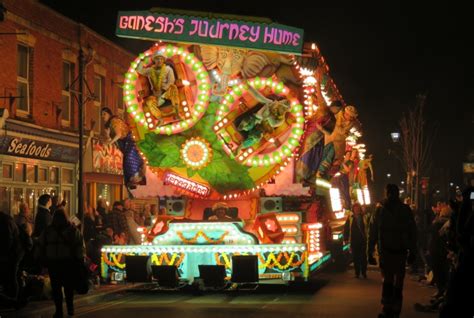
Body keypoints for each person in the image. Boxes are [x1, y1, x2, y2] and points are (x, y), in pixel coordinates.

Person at [368, 184, 417, 318]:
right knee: (395, 282)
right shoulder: (404, 210)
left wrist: (370, 251)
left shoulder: (380, 211)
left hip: (388, 251)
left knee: (389, 280)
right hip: (397, 252)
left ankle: (388, 309)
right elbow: (413, 232)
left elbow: (372, 232)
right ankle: (393, 309)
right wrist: (413, 251)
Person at [39, 208, 85, 317]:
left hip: (53, 262)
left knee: (56, 288)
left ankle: (59, 311)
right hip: (68, 262)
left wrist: (42, 259)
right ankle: (70, 309)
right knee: (68, 287)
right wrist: (80, 260)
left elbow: (41, 245)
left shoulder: (48, 231)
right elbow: (80, 247)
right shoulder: (73, 230)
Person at [101, 107, 146, 189]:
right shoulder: (108, 126)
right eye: (102, 115)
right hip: (123, 144)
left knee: (129, 159)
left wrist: (110, 142)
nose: (103, 116)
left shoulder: (114, 121)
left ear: (109, 114)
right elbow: (111, 139)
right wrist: (108, 137)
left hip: (129, 141)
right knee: (126, 161)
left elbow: (118, 134)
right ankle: (132, 180)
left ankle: (136, 178)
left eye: (104, 114)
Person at [0, 210, 23, 308]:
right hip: (13, 252)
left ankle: (13, 299)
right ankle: (12, 299)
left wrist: (3, 254)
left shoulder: (4, 222)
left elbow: (7, 240)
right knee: (10, 275)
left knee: (11, 275)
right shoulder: (6, 219)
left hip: (12, 253)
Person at [344, 202, 368, 278]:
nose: (356, 209)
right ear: (353, 209)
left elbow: (368, 228)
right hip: (354, 241)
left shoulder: (364, 216)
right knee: (355, 257)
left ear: (360, 209)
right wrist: (346, 239)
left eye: (358, 208)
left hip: (363, 240)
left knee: (363, 257)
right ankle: (357, 273)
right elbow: (346, 229)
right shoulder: (350, 218)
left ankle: (364, 272)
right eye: (355, 208)